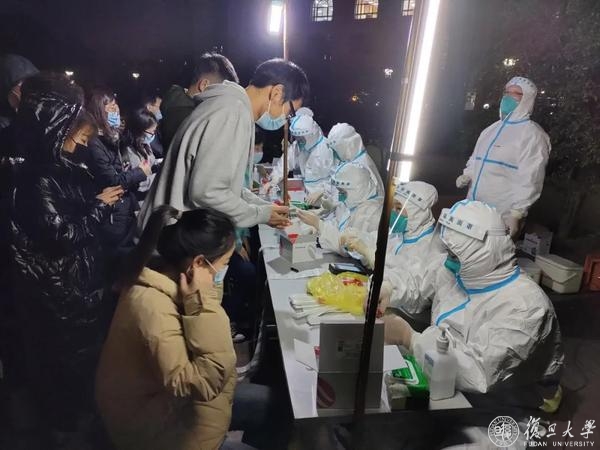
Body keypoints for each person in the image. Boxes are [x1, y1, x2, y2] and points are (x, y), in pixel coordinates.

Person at [97, 206, 287, 450]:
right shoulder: (153, 307)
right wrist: (201, 302)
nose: (223, 271)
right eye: (224, 263)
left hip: (176, 406)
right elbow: (200, 384)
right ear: (198, 263)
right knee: (272, 410)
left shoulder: (168, 277)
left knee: (278, 408)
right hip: (157, 430)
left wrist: (200, 299)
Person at [11, 73, 123, 446]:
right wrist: (99, 207)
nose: (80, 145)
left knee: (82, 369)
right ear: (55, 125)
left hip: (77, 290)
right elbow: (61, 237)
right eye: (78, 136)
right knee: (63, 373)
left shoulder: (60, 169)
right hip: (59, 296)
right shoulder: (35, 178)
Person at [382, 200, 564, 411]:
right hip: (446, 376)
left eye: (454, 254)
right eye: (448, 251)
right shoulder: (460, 271)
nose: (448, 260)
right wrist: (389, 288)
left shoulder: (526, 308)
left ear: (481, 254)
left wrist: (411, 338)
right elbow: (420, 284)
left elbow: (478, 371)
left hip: (504, 406)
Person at [138, 58, 310, 231]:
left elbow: (227, 186)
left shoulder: (231, 106)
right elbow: (207, 191)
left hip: (175, 230)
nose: (286, 118)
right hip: (173, 235)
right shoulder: (232, 112)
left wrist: (263, 206)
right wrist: (260, 214)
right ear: (277, 93)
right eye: (290, 111)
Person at [456, 76, 551, 238]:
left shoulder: (533, 135)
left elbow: (531, 178)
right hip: (473, 207)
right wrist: (468, 174)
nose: (508, 97)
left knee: (490, 252)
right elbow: (476, 158)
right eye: (507, 92)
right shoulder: (490, 130)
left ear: (527, 99)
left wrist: (517, 213)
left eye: (515, 93)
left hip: (501, 213)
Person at [343, 181, 444, 314]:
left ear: (416, 212)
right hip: (380, 298)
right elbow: (374, 240)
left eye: (399, 208)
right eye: (393, 208)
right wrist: (354, 237)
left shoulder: (429, 247)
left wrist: (389, 287)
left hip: (403, 313)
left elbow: (416, 292)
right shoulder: (400, 234)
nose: (393, 213)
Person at [87, 87, 152, 259]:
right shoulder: (94, 143)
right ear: (98, 112)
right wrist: (140, 172)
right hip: (112, 212)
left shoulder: (114, 137)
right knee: (115, 257)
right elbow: (112, 179)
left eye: (116, 107)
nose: (115, 111)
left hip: (124, 206)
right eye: (110, 108)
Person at [297, 162, 382, 256]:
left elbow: (349, 249)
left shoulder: (372, 214)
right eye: (339, 191)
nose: (340, 196)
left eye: (343, 192)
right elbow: (338, 225)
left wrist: (319, 225)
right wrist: (317, 229)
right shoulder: (354, 202)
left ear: (357, 189)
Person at [161, 52, 239, 150]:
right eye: (221, 95)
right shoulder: (190, 120)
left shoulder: (175, 103)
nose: (223, 103)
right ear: (204, 85)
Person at [269, 107, 335, 201]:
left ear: (311, 135)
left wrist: (322, 191)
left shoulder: (327, 148)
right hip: (308, 199)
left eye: (301, 138)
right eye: (297, 137)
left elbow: (338, 175)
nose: (299, 140)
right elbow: (285, 163)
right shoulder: (298, 146)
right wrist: (273, 181)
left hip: (327, 200)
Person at [328, 122, 385, 197]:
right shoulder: (352, 160)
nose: (335, 154)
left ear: (345, 145)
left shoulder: (361, 165)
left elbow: (354, 196)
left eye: (336, 149)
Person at [121, 108, 163, 203]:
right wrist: (162, 177)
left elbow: (151, 163)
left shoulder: (144, 144)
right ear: (140, 131)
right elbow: (140, 184)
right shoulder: (130, 152)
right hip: (141, 200)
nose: (153, 135)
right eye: (151, 132)